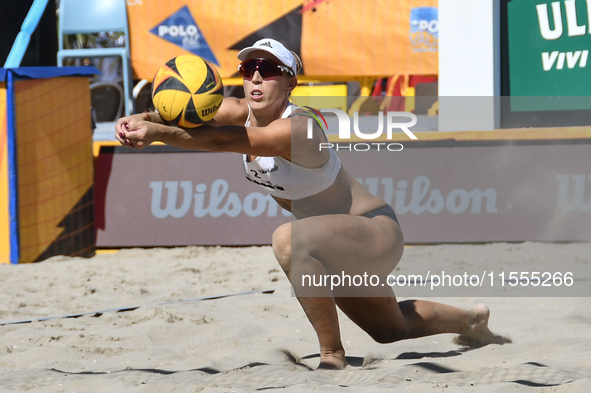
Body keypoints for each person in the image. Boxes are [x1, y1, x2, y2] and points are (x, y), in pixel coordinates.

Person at [115, 38, 508, 370]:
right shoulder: (237, 111)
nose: (255, 75)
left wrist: (157, 133)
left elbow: (217, 141)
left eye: (268, 69)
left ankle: (331, 357)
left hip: (372, 231)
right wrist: (141, 118)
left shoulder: (301, 127)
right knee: (391, 330)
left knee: (287, 240)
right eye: (250, 66)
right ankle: (473, 320)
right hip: (326, 246)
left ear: (290, 82)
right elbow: (180, 114)